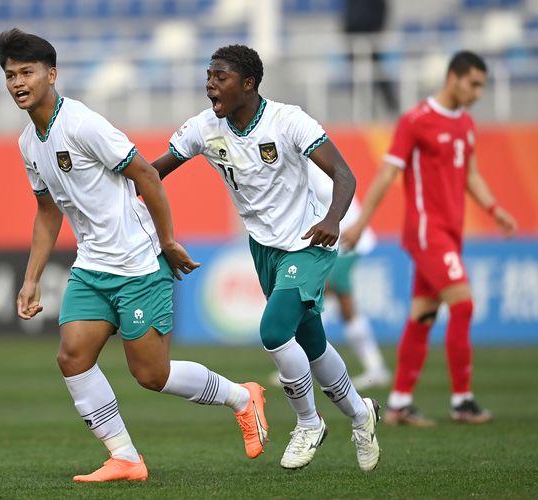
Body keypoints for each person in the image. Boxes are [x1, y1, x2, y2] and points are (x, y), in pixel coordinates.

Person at [0, 29, 268, 483]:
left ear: (51, 74)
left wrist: (167, 241)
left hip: (138, 264)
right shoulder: (28, 143)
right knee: (72, 357)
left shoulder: (82, 124)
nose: (18, 82)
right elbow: (46, 211)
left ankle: (242, 397)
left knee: (151, 376)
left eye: (27, 72)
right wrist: (31, 278)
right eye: (10, 75)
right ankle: (125, 457)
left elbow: (147, 176)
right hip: (92, 267)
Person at [151, 44, 380, 471]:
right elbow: (154, 171)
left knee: (274, 331)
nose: (210, 85)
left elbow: (344, 175)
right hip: (264, 248)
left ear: (248, 83)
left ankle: (309, 423)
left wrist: (332, 219)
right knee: (311, 342)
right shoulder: (204, 128)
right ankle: (361, 414)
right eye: (208, 76)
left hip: (308, 241)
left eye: (220, 77)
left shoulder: (288, 120)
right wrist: (114, 179)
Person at [342, 51, 517, 427]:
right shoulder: (416, 121)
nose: (477, 92)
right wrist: (359, 223)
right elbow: (388, 173)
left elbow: (470, 173)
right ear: (452, 78)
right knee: (464, 306)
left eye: (482, 85)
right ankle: (462, 400)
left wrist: (494, 208)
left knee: (422, 316)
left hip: (451, 234)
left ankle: (400, 404)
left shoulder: (466, 124)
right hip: (426, 232)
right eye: (474, 83)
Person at [307, 164, 391, 389]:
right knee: (339, 304)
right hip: (336, 240)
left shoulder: (308, 157)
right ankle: (375, 366)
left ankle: (303, 364)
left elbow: (327, 192)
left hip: (346, 238)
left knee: (318, 294)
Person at [342, 0, 399, 116]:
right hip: (353, 38)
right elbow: (348, 14)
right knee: (355, 76)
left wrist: (378, 31)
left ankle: (391, 106)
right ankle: (361, 108)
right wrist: (347, 32)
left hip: (371, 37)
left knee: (378, 74)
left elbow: (382, 10)